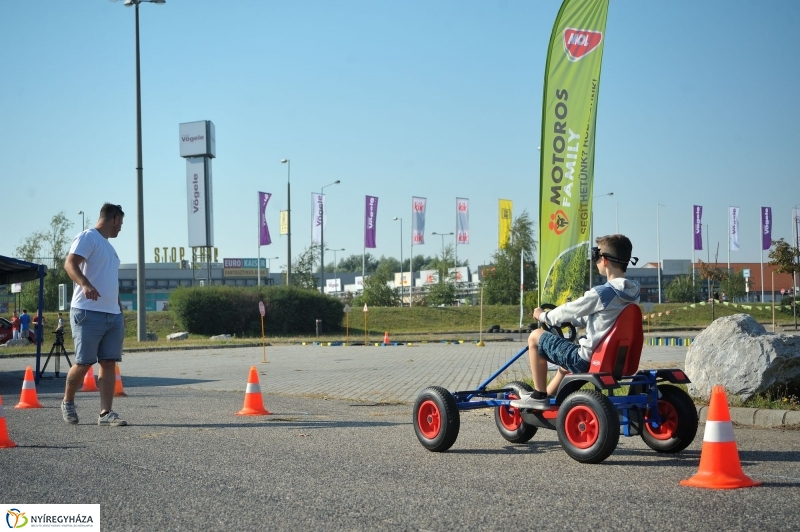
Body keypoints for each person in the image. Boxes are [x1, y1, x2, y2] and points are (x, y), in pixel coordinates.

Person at [512, 234, 641, 409]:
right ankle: (548, 399)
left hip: (587, 360)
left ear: (604, 260)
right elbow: (602, 318)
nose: (594, 260)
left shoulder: (602, 293)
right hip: (617, 360)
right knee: (564, 367)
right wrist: (575, 321)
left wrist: (544, 316)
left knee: (535, 337)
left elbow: (569, 310)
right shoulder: (633, 293)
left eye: (595, 256)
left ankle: (538, 394)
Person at [61, 203, 127, 427]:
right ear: (115, 219)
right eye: (121, 223)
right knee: (84, 362)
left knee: (108, 363)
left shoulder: (109, 248)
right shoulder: (88, 237)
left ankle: (105, 413)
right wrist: (85, 284)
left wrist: (118, 308)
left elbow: (110, 282)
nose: (120, 229)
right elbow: (70, 264)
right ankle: (68, 402)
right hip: (87, 312)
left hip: (112, 314)